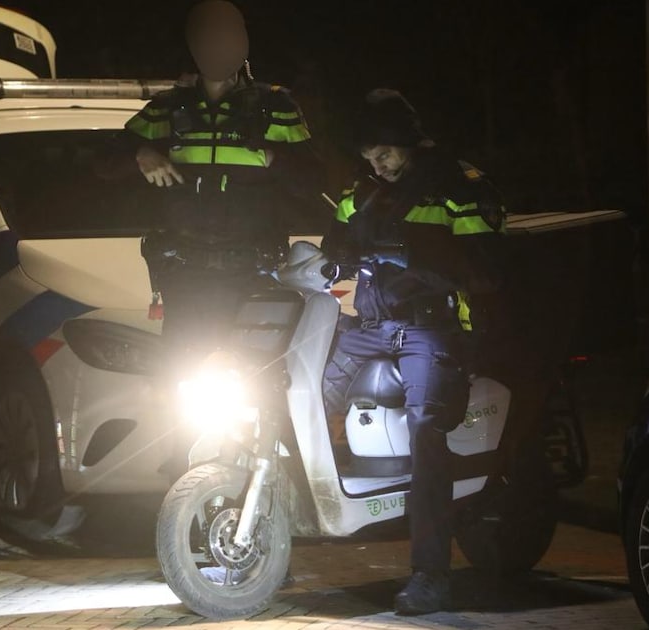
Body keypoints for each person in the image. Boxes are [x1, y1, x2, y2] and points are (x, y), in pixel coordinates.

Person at [321, 89, 506, 615]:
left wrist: (413, 262)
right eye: (369, 157)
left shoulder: (458, 185)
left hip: (435, 328)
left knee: (427, 430)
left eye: (384, 154)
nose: (377, 165)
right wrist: (332, 258)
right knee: (304, 389)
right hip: (372, 324)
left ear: (408, 143)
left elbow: (485, 269)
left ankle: (431, 575)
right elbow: (336, 238)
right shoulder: (365, 190)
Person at [99, 0, 321, 371]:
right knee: (178, 389)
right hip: (188, 279)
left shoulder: (274, 108)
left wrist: (274, 159)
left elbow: (313, 181)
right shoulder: (168, 109)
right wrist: (140, 155)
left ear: (243, 43)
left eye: (226, 36)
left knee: (264, 388)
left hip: (253, 277)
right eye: (206, 37)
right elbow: (102, 164)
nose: (216, 45)